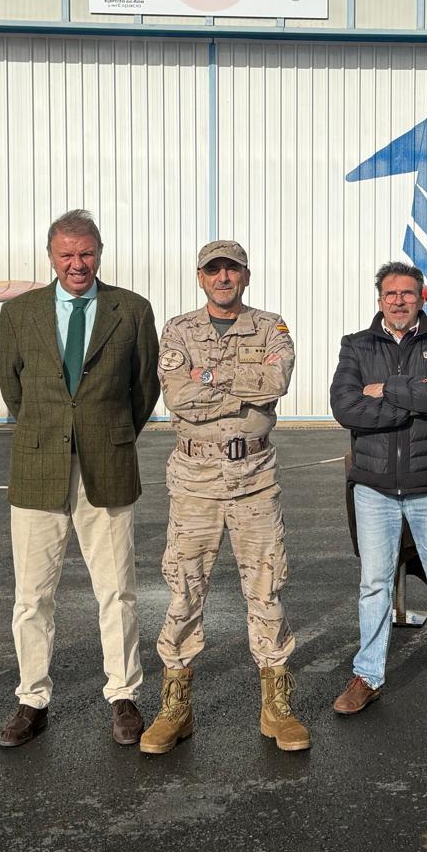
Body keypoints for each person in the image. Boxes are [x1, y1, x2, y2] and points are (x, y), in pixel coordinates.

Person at [0, 210, 160, 748]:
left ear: (100, 253)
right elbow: (14, 390)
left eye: (85, 253)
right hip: (38, 469)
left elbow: (143, 390)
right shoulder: (20, 314)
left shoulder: (131, 311)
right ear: (50, 256)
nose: (77, 264)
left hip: (106, 469)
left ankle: (124, 695)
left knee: (117, 592)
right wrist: (54, 433)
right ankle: (31, 698)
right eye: (66, 255)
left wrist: (107, 434)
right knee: (32, 597)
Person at [138, 240, 308, 754]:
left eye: (232, 269)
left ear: (246, 276)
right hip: (195, 481)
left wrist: (209, 375)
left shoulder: (270, 325)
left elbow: (276, 382)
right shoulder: (177, 329)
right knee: (185, 589)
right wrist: (240, 385)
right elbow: (177, 396)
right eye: (214, 270)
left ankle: (275, 705)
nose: (223, 278)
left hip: (254, 476)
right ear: (200, 278)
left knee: (265, 588)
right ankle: (175, 707)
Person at [328, 261, 427, 717]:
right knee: (374, 584)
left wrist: (387, 389)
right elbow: (345, 407)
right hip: (373, 487)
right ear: (380, 300)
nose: (399, 301)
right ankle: (368, 675)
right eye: (391, 294)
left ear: (421, 299)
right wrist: (409, 403)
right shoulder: (355, 346)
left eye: (408, 294)